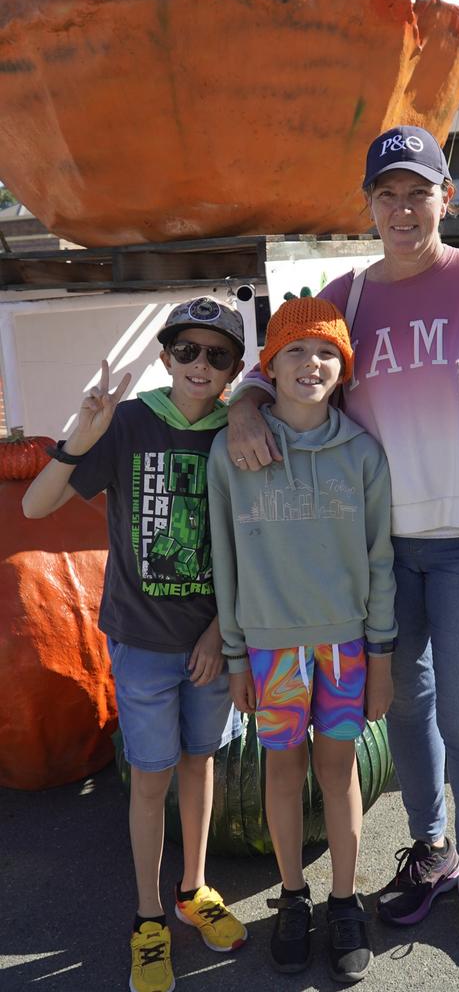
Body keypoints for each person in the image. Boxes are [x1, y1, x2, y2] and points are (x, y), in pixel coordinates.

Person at [225, 126, 459, 952]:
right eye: (387, 194)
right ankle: (432, 848)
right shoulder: (345, 297)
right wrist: (243, 406)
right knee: (406, 710)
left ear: (446, 198)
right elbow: (266, 365)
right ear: (369, 205)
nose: (403, 208)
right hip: (375, 554)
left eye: (420, 192)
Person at [22, 297, 249, 992]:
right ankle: (149, 918)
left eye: (217, 355)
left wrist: (220, 631)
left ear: (235, 369)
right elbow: (36, 506)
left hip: (212, 642)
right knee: (150, 776)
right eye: (187, 351)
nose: (200, 365)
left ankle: (194, 890)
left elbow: (253, 544)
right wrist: (80, 436)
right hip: (143, 643)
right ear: (165, 358)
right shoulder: (127, 423)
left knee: (200, 764)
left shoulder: (237, 436)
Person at [208, 297, 396, 983]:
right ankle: (294, 897)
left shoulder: (363, 456)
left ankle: (345, 901)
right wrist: (235, 656)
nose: (311, 364)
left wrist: (380, 657)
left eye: (326, 353)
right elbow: (225, 559)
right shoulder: (232, 453)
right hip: (270, 650)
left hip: (344, 648)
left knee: (339, 771)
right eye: (295, 350)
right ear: (270, 365)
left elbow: (379, 563)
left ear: (342, 369)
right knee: (281, 772)